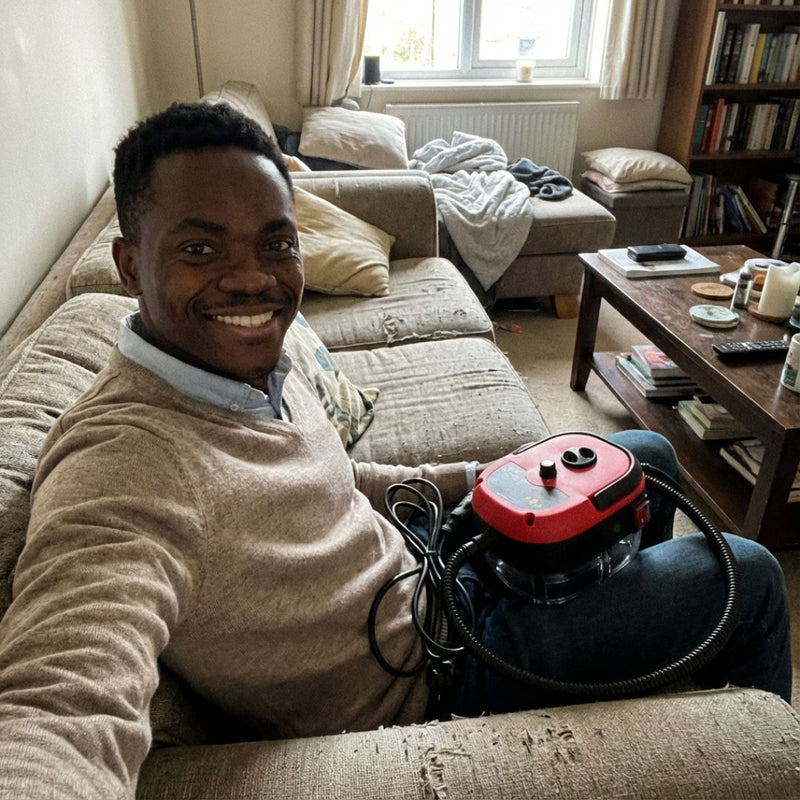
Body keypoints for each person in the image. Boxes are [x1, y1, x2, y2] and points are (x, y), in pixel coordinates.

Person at [0, 102, 790, 797]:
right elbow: (61, 703)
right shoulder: (123, 466)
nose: (252, 279)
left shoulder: (234, 369)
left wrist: (481, 478)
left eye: (275, 244)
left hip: (433, 563)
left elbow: (333, 481)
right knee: (747, 576)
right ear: (130, 266)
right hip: (442, 674)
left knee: (640, 455)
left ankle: (634, 663)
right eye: (201, 249)